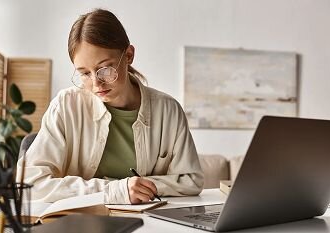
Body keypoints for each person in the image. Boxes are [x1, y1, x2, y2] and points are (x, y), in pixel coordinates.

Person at [16, 8, 204, 204]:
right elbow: (29, 185)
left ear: (129, 55)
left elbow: (191, 180)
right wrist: (115, 191)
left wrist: (143, 187)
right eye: (85, 73)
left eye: (104, 69)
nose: (97, 84)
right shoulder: (65, 106)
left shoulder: (169, 110)